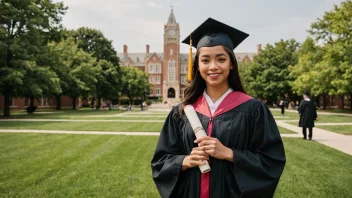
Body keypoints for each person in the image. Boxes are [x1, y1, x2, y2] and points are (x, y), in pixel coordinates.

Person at [151, 18, 286, 198]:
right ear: (197, 66)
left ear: (231, 64)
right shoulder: (182, 113)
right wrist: (186, 160)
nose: (213, 66)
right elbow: (161, 161)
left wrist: (230, 154)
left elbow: (272, 161)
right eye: (205, 60)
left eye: (221, 59)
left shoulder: (253, 110)